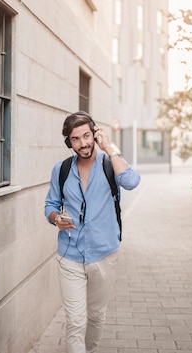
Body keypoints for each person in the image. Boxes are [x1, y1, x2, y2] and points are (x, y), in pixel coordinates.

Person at [44, 111, 141, 353]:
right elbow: (50, 205)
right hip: (70, 255)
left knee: (96, 316)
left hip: (103, 254)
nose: (83, 143)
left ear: (95, 134)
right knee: (76, 321)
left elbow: (131, 182)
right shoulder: (62, 170)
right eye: (75, 139)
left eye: (86, 136)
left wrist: (109, 148)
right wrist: (56, 218)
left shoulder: (110, 165)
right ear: (69, 142)